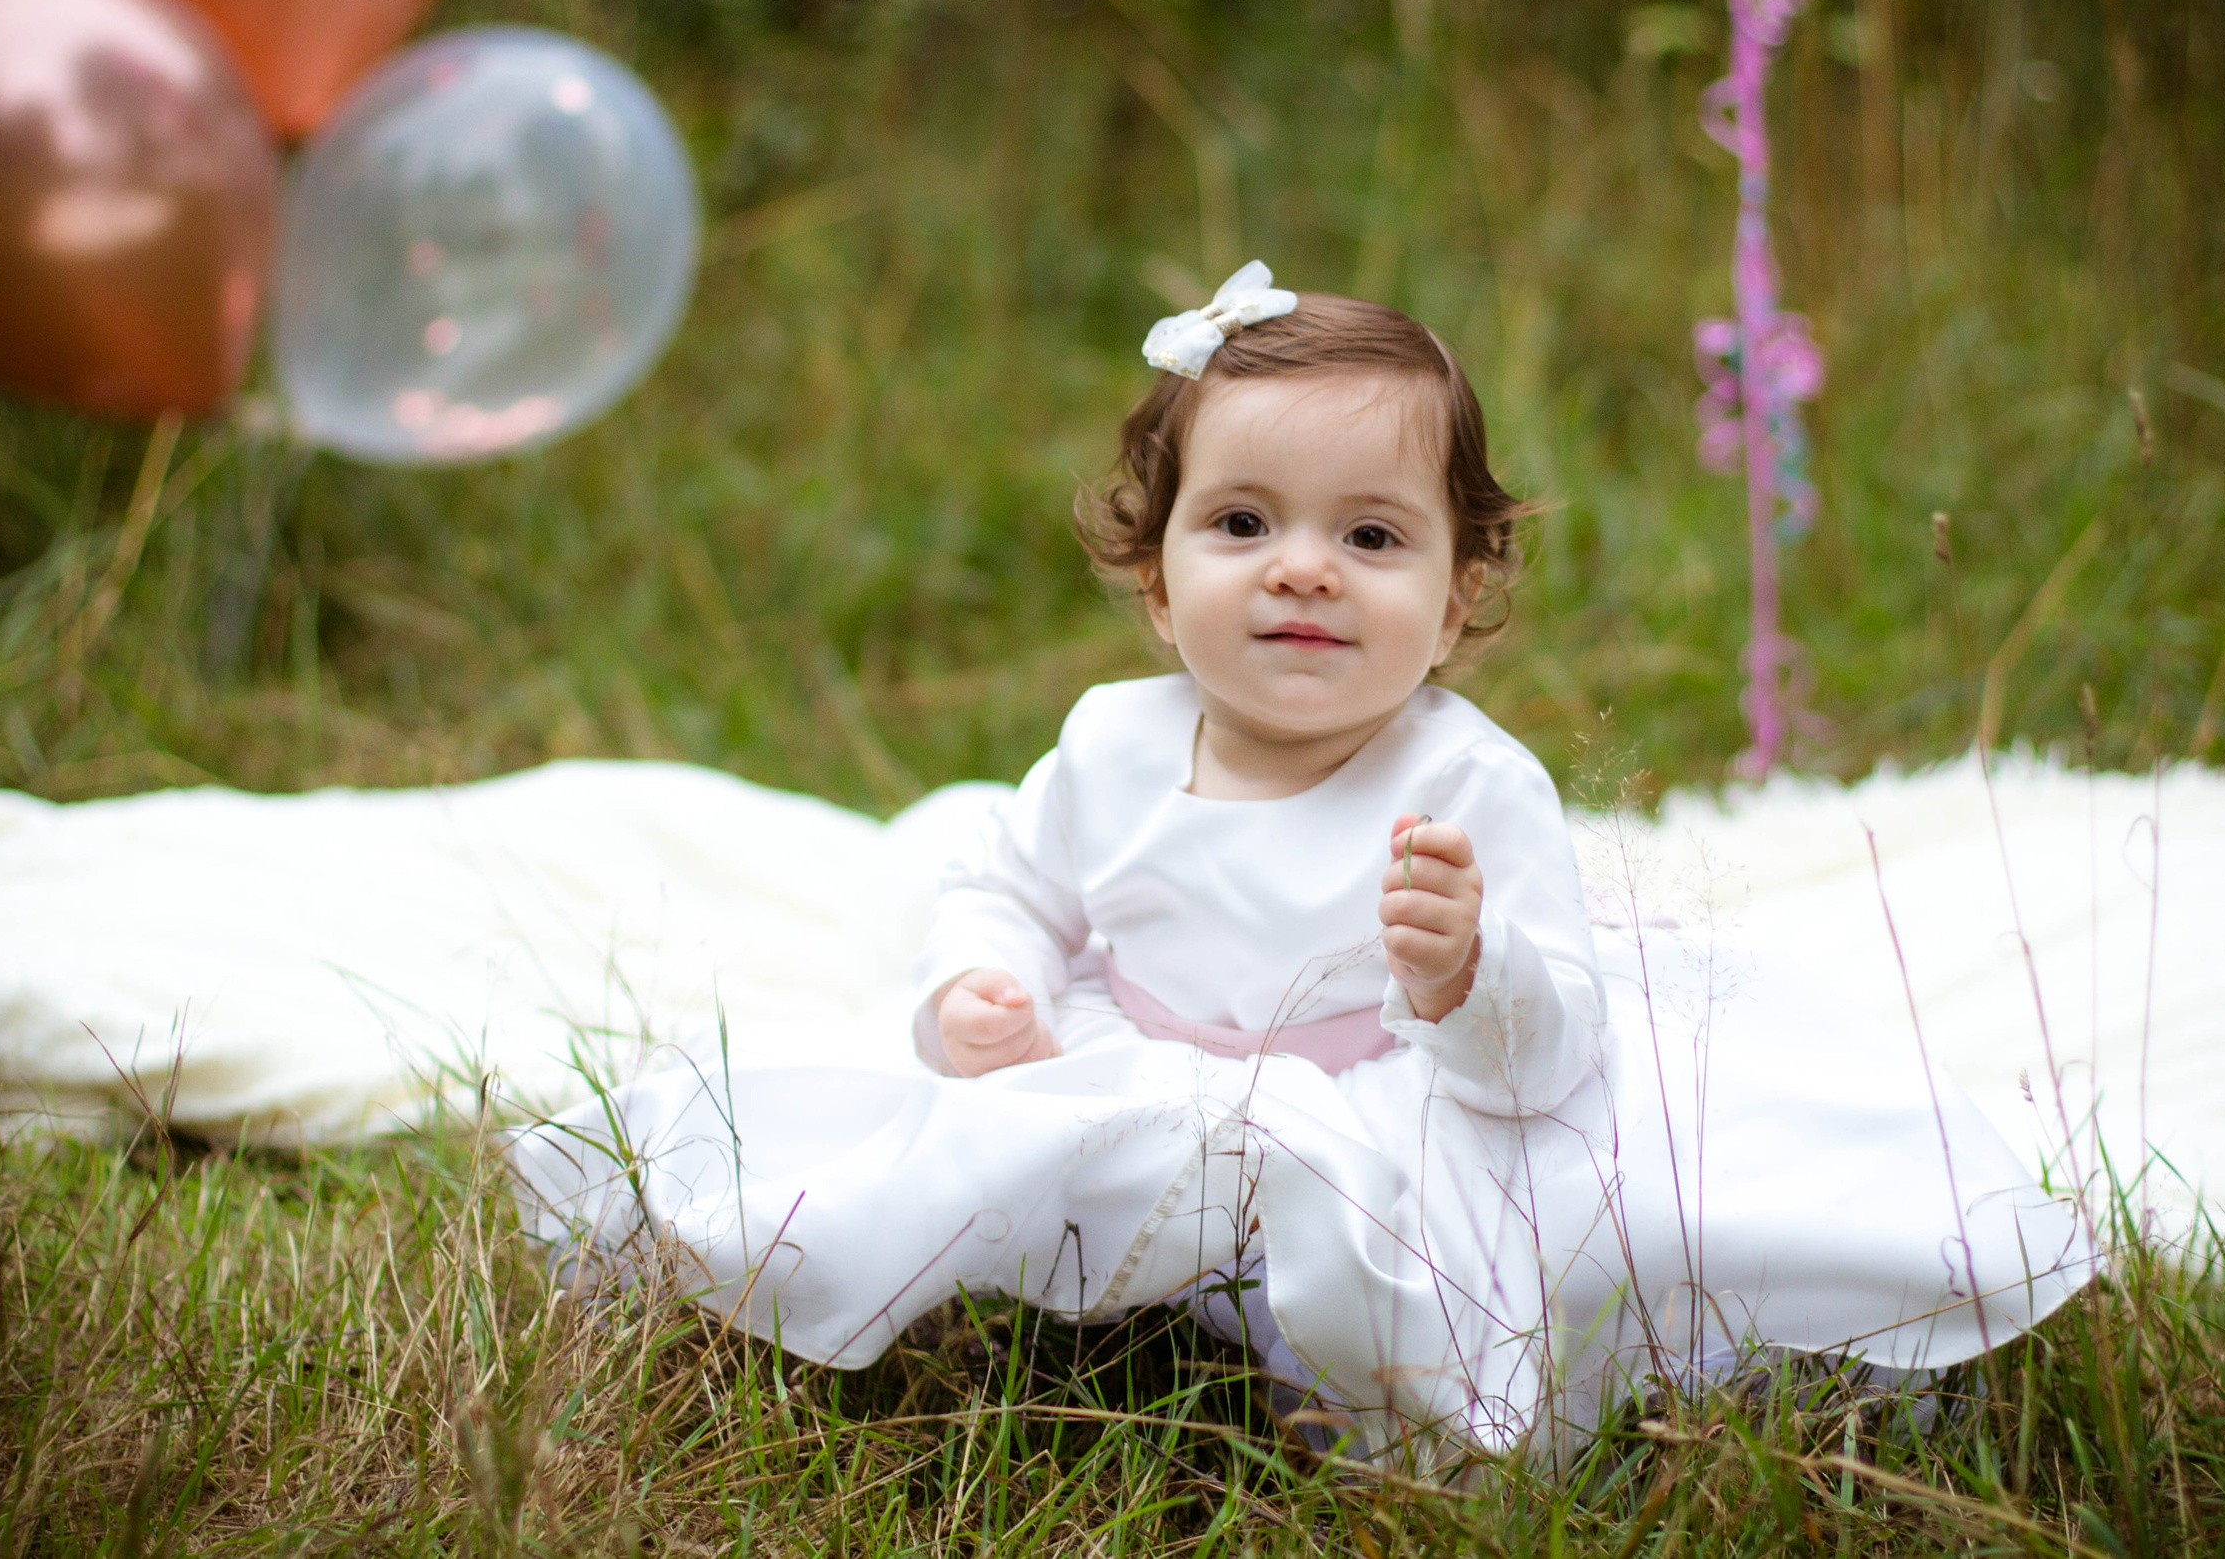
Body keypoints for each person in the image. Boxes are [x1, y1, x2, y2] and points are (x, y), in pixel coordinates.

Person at [506, 264, 2091, 1465]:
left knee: (1634, 1225)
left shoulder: (1470, 783)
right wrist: (972, 991)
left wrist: (1468, 975)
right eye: (1245, 522)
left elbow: (1552, 1056)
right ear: (1155, 578)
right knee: (907, 1142)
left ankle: (1392, 1416)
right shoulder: (1112, 746)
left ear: (1463, 596)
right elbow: (1011, 888)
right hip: (1143, 1077)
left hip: (1392, 1113)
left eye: (1374, 538)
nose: (1305, 571)